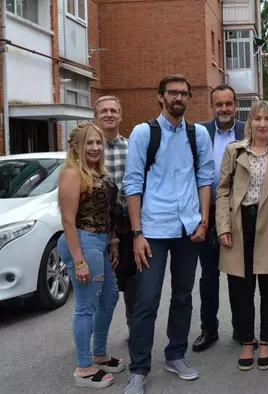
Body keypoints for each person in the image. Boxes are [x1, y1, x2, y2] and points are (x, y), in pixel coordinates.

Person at [123, 75, 215, 394]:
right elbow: (132, 184)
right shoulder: (142, 133)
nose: (178, 97)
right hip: (152, 230)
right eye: (172, 93)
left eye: (183, 93)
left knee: (183, 296)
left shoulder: (197, 134)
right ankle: (138, 369)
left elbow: (204, 178)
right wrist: (137, 233)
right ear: (160, 97)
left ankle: (176, 354)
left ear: (188, 98)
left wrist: (203, 220)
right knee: (146, 300)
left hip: (188, 228)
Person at [215, 100, 268, 371]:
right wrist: (223, 226)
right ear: (249, 122)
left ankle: (266, 342)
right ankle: (247, 341)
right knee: (242, 289)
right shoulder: (234, 151)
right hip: (240, 224)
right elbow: (223, 191)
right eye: (257, 118)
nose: (262, 123)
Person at [57, 122, 126, 389]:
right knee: (86, 306)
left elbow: (106, 212)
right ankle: (84, 368)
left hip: (100, 242)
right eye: (89, 143)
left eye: (98, 142)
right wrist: (79, 260)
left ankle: (99, 353)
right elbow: (68, 221)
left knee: (108, 297)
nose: (96, 147)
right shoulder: (72, 174)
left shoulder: (98, 173)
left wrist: (113, 241)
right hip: (83, 242)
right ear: (76, 147)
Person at [192, 84, 249, 352]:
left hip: (240, 214)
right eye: (219, 104)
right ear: (211, 106)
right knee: (209, 276)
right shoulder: (198, 132)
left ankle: (242, 329)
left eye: (229, 104)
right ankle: (209, 329)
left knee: (239, 275)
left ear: (235, 105)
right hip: (208, 212)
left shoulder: (248, 131)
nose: (224, 109)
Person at [94, 95, 137, 337]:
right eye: (104, 111)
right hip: (99, 226)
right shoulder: (88, 149)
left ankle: (133, 327)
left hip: (128, 224)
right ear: (96, 117)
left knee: (132, 282)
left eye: (113, 110)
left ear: (120, 116)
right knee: (100, 284)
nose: (109, 114)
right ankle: (95, 334)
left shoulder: (132, 147)